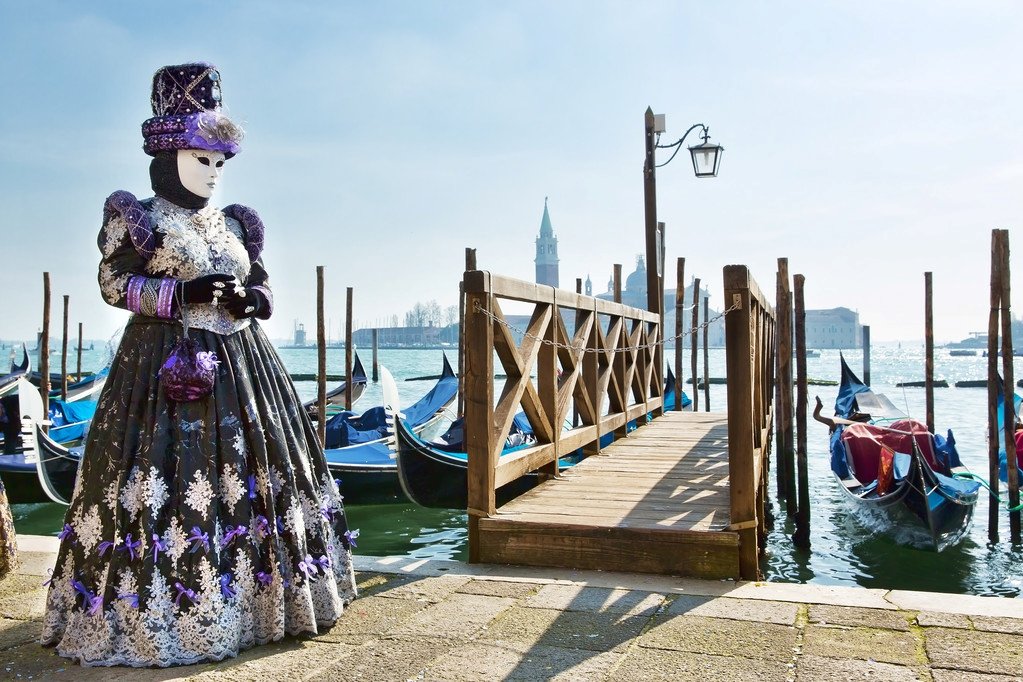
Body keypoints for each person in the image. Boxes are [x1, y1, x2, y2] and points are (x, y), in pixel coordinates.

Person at [41, 63, 357, 667]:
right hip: (161, 367)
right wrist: (180, 294)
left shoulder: (237, 223)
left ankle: (262, 605)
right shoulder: (139, 217)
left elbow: (262, 286)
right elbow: (112, 283)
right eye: (200, 158)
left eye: (219, 162)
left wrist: (249, 300)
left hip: (245, 366)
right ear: (169, 155)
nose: (212, 173)